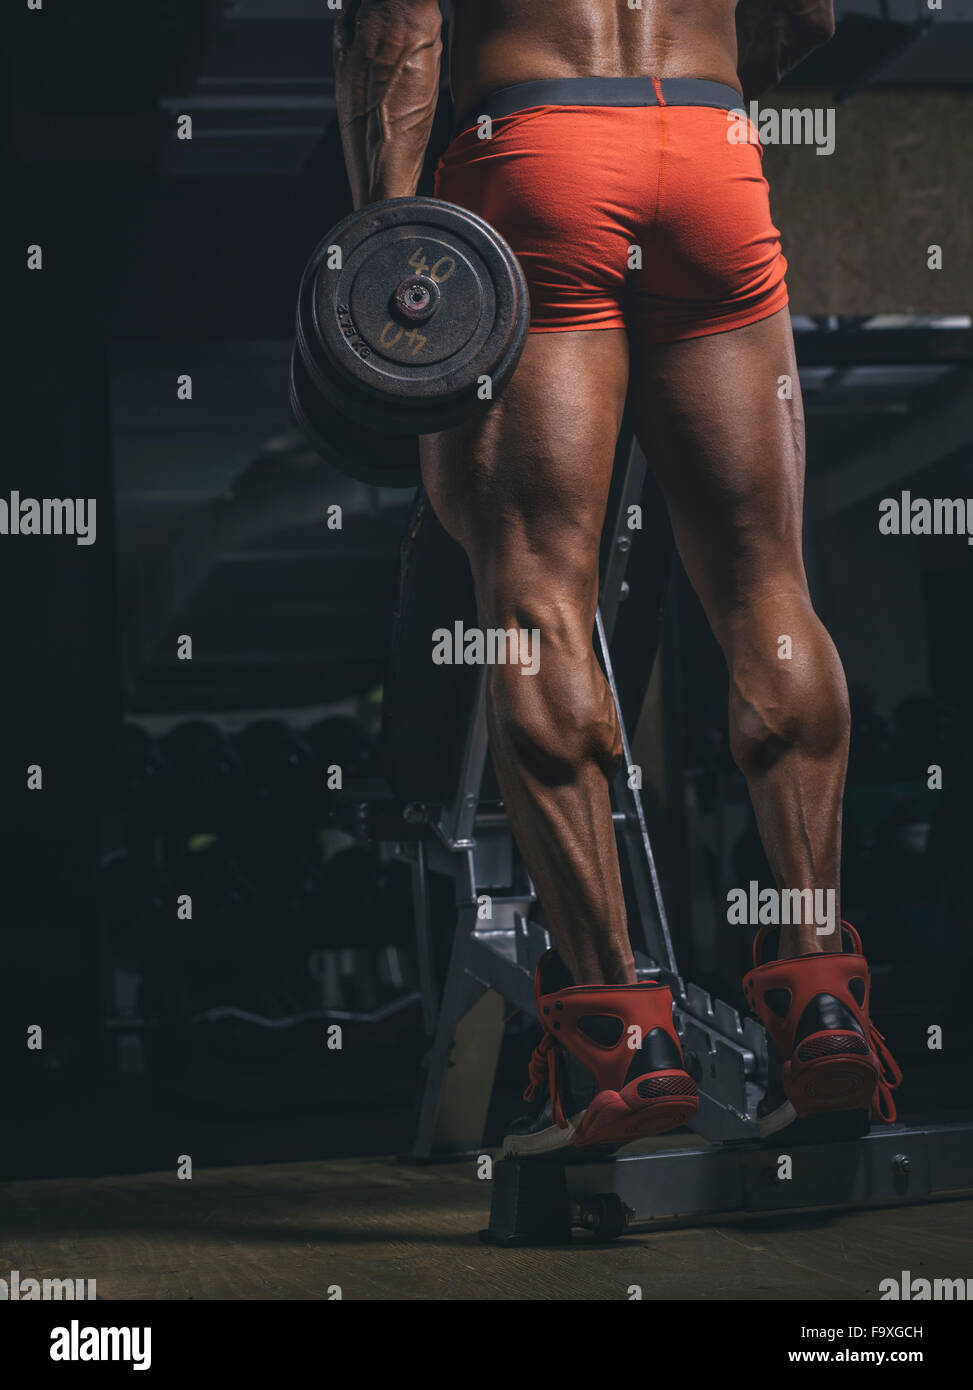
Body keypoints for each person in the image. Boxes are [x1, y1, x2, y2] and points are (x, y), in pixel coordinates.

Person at [333, 0, 901, 1154]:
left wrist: (388, 236)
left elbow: (394, 30)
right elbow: (809, 10)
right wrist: (696, 93)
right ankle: (822, 996)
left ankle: (623, 1045)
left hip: (533, 151)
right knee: (766, 589)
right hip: (708, 151)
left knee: (535, 601)